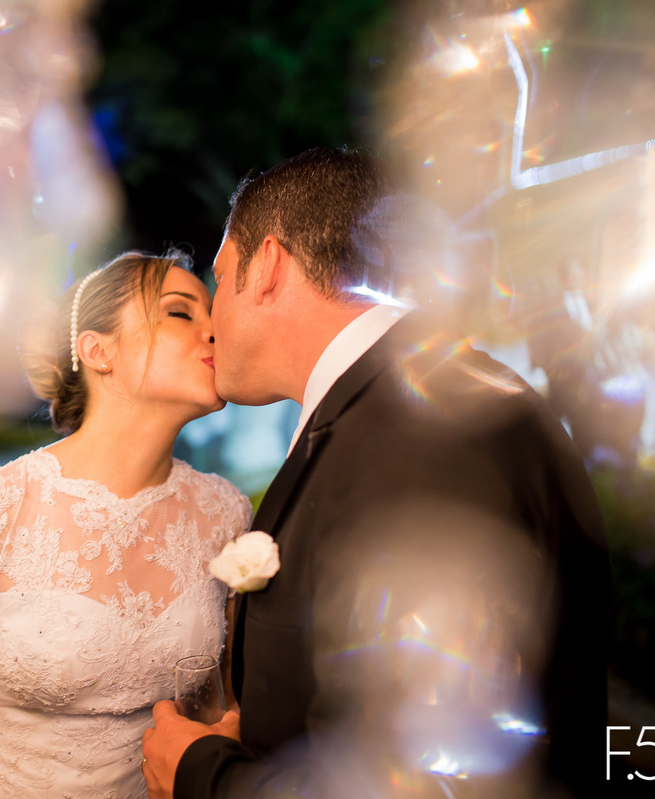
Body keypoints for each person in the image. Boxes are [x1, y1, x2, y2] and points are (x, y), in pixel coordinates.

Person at [142, 148, 611, 798]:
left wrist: (203, 774)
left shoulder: (426, 438)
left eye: (220, 280)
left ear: (269, 265)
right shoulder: (403, 402)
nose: (214, 319)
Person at [0, 250, 253, 798]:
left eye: (212, 314)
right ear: (99, 352)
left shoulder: (225, 514)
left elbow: (227, 703)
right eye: (180, 312)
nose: (214, 331)